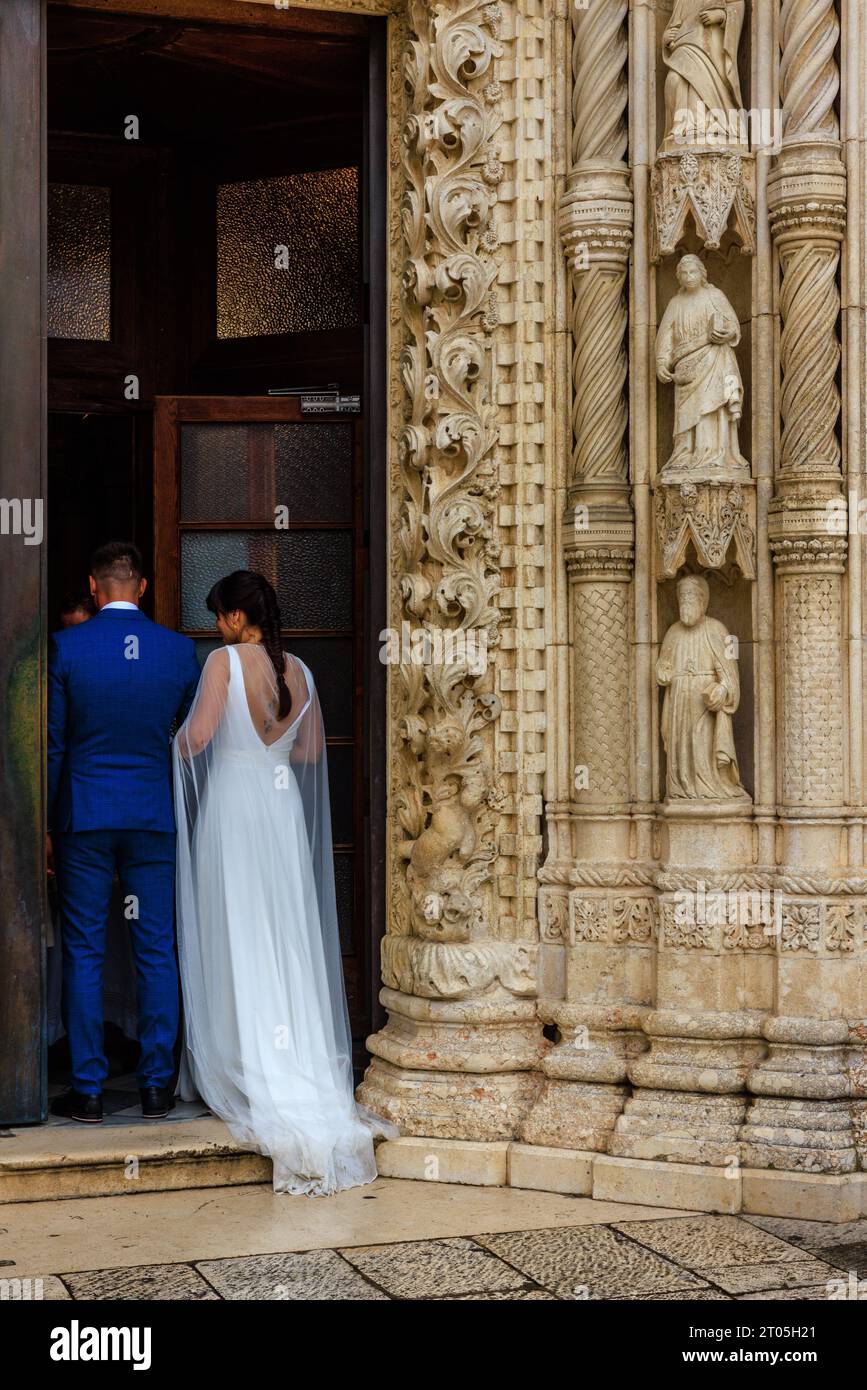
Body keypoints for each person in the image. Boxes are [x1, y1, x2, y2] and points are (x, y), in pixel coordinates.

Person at [172, 569, 397, 1195]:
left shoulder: (224, 661)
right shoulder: (300, 669)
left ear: (240, 620)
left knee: (237, 926)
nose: (218, 625)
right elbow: (306, 757)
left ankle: (241, 1060)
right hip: (279, 810)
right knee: (282, 932)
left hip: (236, 807)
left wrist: (162, 749)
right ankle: (294, 1058)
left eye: (221, 615)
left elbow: (197, 738)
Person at [47, 541, 201, 1123]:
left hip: (85, 817)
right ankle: (156, 1088)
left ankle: (87, 1091)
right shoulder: (179, 653)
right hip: (151, 817)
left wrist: (44, 824)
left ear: (93, 586)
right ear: (140, 587)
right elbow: (188, 743)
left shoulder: (66, 648)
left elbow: (56, 745)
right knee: (154, 946)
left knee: (84, 949)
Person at [657, 573, 748, 802]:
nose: (685, 602)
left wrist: (723, 689)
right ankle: (681, 789)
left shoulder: (719, 630)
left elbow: (730, 672)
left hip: (705, 706)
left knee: (703, 747)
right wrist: (663, 672)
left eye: (691, 597)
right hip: (679, 702)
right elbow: (663, 664)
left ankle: (713, 788)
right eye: (682, 598)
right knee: (682, 750)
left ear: (702, 600)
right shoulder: (672, 633)